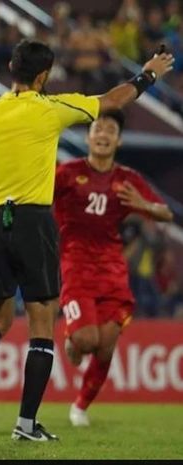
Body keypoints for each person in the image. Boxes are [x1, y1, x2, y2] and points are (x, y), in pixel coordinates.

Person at [0, 39, 174, 441]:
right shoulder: (51, 109)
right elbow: (113, 100)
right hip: (33, 220)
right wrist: (149, 72)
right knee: (41, 324)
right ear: (43, 76)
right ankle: (26, 424)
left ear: (11, 69)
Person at [54, 109, 172, 427]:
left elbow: (166, 214)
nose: (103, 134)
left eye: (110, 130)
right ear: (89, 137)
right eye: (98, 129)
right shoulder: (67, 173)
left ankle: (80, 406)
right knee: (86, 341)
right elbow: (37, 198)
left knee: (106, 348)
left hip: (112, 270)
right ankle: (72, 339)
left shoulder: (127, 179)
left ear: (118, 141)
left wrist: (144, 205)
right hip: (76, 265)